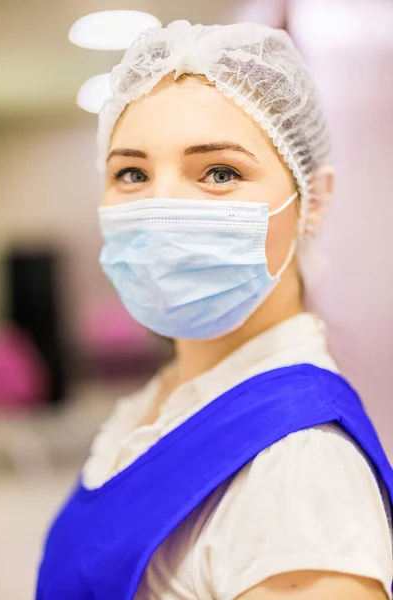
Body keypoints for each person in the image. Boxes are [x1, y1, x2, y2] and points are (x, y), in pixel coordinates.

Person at [36, 20, 393, 600]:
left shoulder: (299, 469)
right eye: (132, 173)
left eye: (220, 172)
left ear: (314, 200)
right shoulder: (168, 395)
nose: (162, 208)